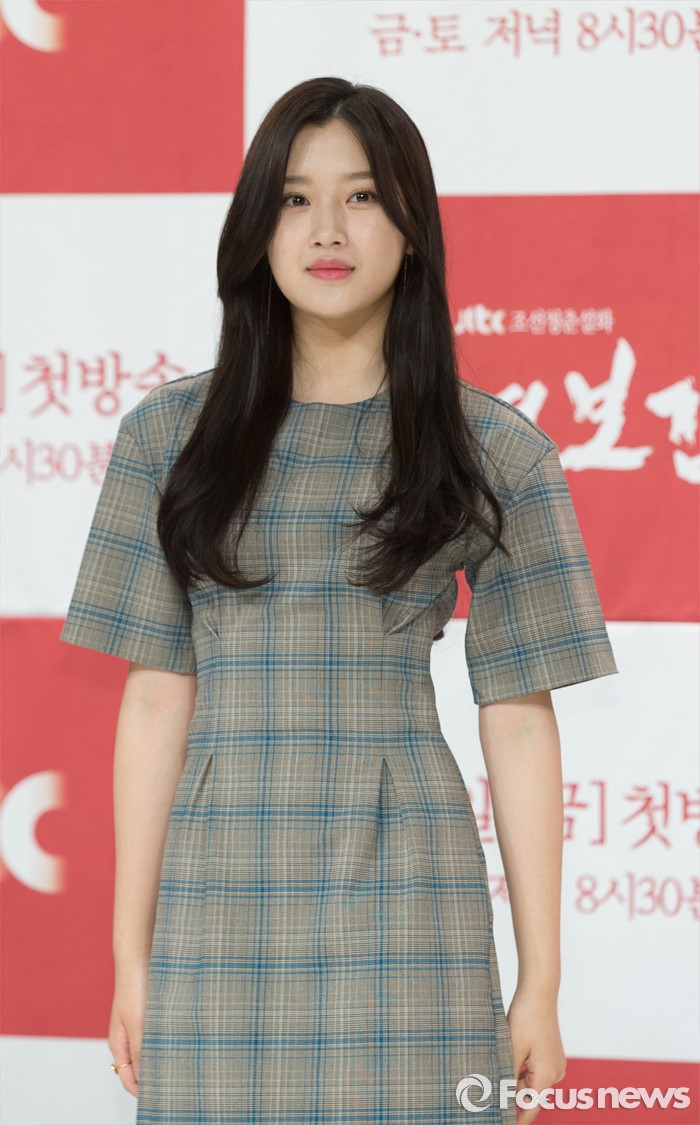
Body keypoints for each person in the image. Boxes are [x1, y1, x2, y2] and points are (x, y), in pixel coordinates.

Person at [60, 77, 618, 1125]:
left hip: (407, 876)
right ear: (255, 227)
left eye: (361, 197)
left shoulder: (493, 449)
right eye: (294, 198)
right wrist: (130, 955)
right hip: (218, 887)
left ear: (411, 225)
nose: (327, 229)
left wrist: (539, 981)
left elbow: (517, 715)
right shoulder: (167, 439)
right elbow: (155, 696)